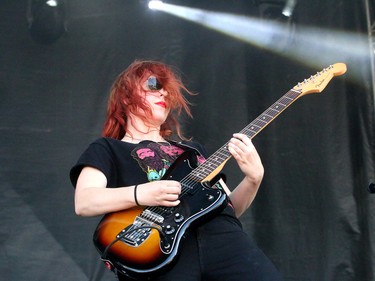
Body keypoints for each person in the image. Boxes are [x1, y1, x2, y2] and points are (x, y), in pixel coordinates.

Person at [70, 60, 283, 281]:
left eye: (166, 90)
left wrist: (253, 179)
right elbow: (85, 201)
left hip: (224, 240)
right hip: (160, 249)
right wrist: (141, 193)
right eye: (153, 85)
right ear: (125, 96)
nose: (163, 93)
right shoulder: (108, 148)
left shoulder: (193, 151)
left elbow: (229, 207)